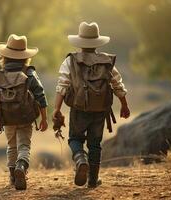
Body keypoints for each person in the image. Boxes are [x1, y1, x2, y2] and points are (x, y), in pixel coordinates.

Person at [53, 22, 130, 188]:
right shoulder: (106, 61)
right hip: (100, 110)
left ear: (79, 42)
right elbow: (118, 84)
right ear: (97, 42)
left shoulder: (71, 60)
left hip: (79, 109)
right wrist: (124, 105)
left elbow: (62, 85)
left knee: (75, 138)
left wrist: (57, 109)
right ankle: (93, 180)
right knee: (95, 144)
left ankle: (81, 159)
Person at [0, 34, 48, 190]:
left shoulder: (0, 76)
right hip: (25, 117)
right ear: (25, 57)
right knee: (24, 146)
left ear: (4, 56)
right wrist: (44, 118)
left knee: (11, 146)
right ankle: (22, 166)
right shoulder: (29, 74)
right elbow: (40, 96)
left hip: (7, 119)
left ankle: (13, 176)